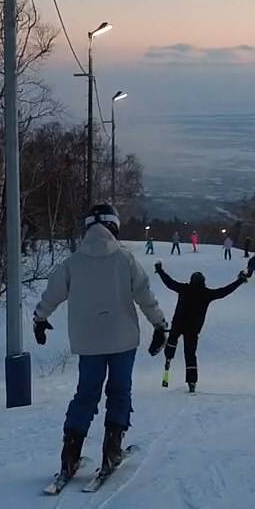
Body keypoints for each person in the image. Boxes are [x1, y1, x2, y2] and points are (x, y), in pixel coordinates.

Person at [33, 204, 168, 483]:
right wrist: (159, 325)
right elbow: (144, 294)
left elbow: (53, 292)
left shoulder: (72, 263)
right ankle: (112, 449)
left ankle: (70, 455)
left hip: (88, 342)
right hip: (123, 340)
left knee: (86, 394)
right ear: (114, 226)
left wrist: (40, 318)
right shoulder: (124, 259)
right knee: (119, 392)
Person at [153, 263, 248, 392]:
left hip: (178, 324)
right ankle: (192, 382)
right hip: (193, 329)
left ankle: (169, 357)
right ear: (203, 282)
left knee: (172, 340)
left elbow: (169, 283)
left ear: (191, 280)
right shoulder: (206, 293)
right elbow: (224, 291)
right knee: (190, 354)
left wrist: (160, 270)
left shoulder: (184, 289)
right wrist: (239, 281)